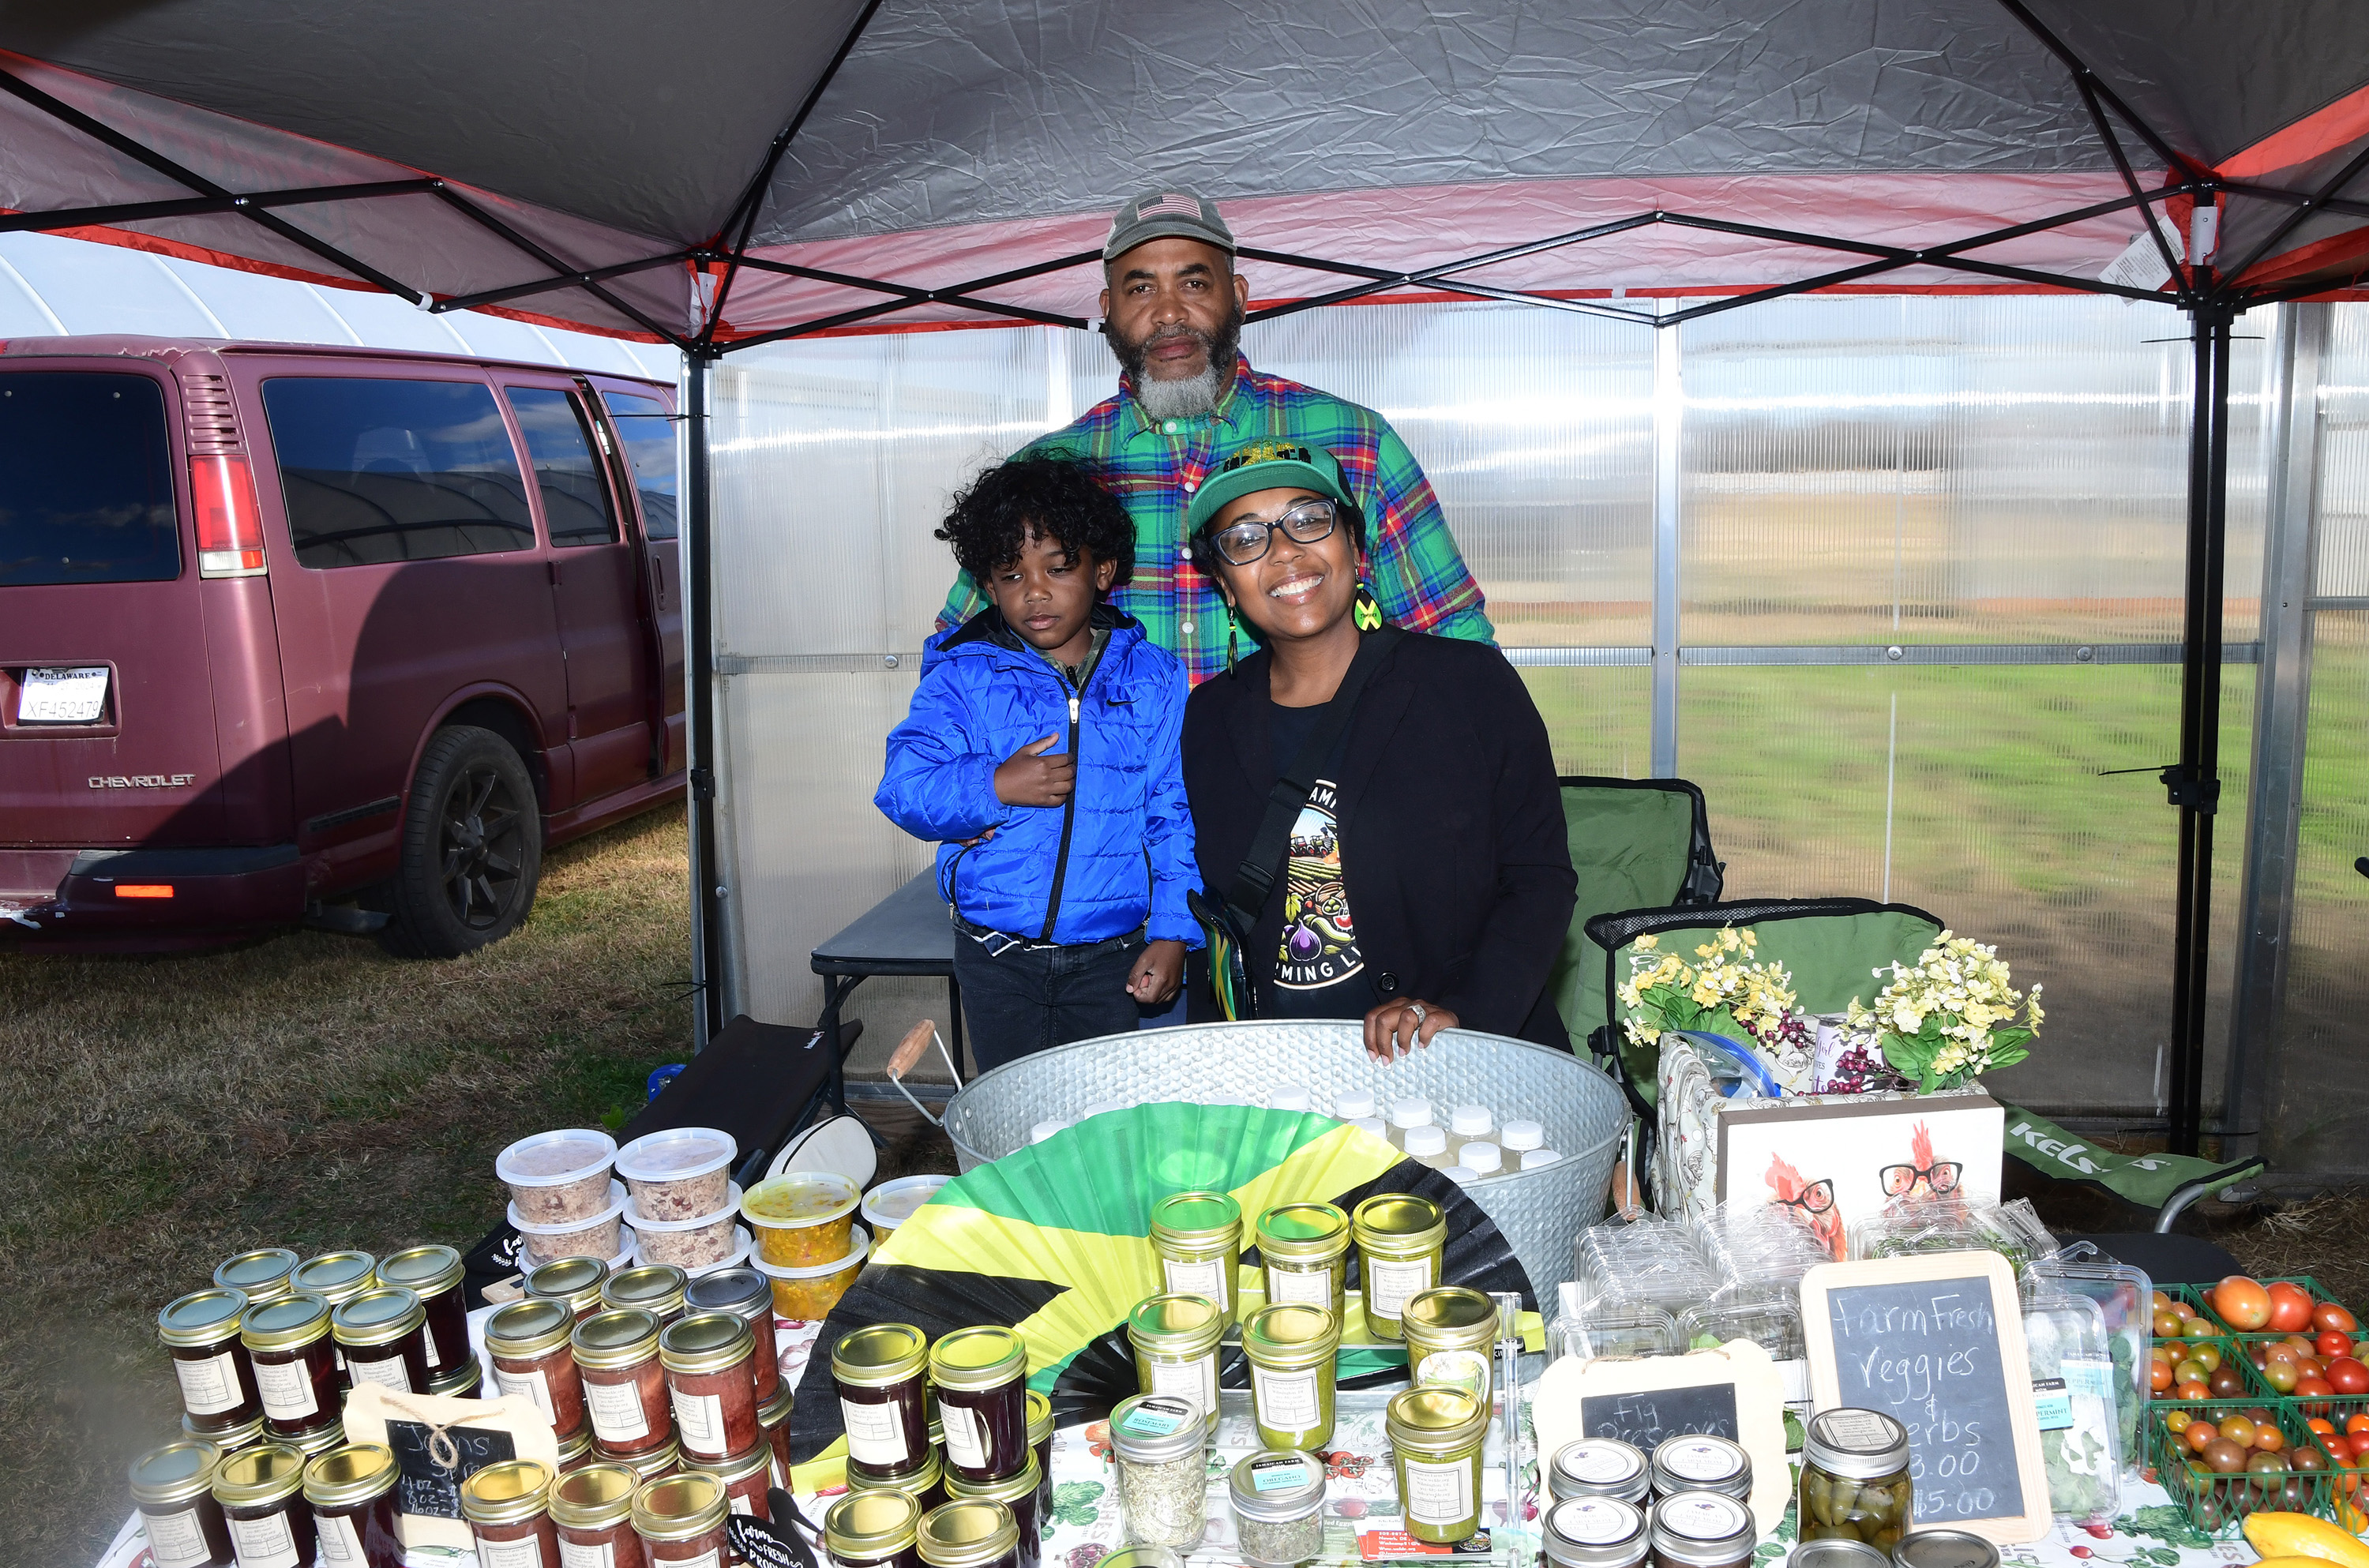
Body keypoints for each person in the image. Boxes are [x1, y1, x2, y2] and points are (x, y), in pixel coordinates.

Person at [935, 185, 1493, 685]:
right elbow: (958, 654)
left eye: (1195, 283)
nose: (1169, 313)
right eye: (1141, 290)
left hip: (1311, 793)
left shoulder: (1355, 442)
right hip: (1112, 799)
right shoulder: (1047, 471)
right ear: (1107, 311)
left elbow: (1453, 639)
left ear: (1240, 295)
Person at [1179, 440, 1575, 1060]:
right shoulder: (1206, 718)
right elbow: (1221, 919)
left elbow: (1539, 879)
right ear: (1226, 585)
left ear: (1356, 550)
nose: (1284, 550)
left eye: (1310, 520)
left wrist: (1465, 1014)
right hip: (1287, 1080)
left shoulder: (1469, 686)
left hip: (1455, 1067)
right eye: (1246, 538)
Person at [877, 456, 1198, 1071]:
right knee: (1013, 1117)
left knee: (1105, 1126)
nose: (1036, 591)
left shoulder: (1154, 678)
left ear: (1103, 570)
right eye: (1012, 574)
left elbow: (1173, 814)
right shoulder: (963, 678)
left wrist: (1171, 932)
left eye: (1058, 567)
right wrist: (993, 784)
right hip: (996, 953)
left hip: (1116, 954)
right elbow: (904, 787)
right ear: (990, 586)